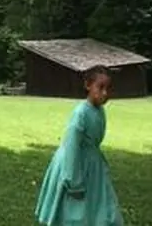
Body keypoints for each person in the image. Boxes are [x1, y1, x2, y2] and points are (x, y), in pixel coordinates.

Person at [34, 65, 123, 226]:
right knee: (74, 210)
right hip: (75, 163)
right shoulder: (80, 113)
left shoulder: (99, 111)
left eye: (108, 88)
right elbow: (72, 145)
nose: (105, 93)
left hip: (92, 165)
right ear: (88, 85)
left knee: (101, 209)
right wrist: (73, 181)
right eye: (100, 87)